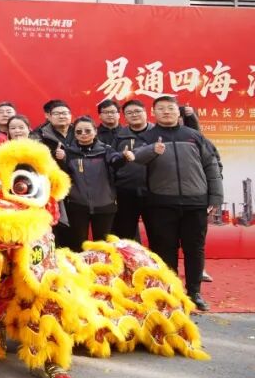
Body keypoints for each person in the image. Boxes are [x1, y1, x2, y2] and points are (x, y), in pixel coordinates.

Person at [132, 96, 222, 312]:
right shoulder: (146, 137)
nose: (166, 112)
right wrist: (152, 150)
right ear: (154, 113)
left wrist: (216, 197)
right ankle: (170, 293)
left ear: (178, 112)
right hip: (161, 203)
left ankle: (194, 292)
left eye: (171, 108)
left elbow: (211, 166)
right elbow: (136, 159)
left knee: (194, 248)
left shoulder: (194, 135)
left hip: (196, 202)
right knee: (164, 249)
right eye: (161, 109)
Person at [54, 117, 133, 250]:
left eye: (87, 130)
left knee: (103, 246)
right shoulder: (67, 152)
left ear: (95, 131)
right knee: (77, 245)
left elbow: (115, 161)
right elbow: (62, 175)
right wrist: (60, 160)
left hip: (105, 205)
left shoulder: (106, 150)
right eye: (79, 132)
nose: (83, 134)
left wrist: (124, 157)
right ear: (74, 134)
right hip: (77, 206)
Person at [111, 100, 154, 241]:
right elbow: (112, 162)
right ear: (124, 116)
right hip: (125, 191)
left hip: (154, 191)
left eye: (137, 111)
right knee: (125, 235)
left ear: (146, 112)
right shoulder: (119, 136)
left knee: (158, 234)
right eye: (129, 113)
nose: (134, 115)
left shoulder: (157, 134)